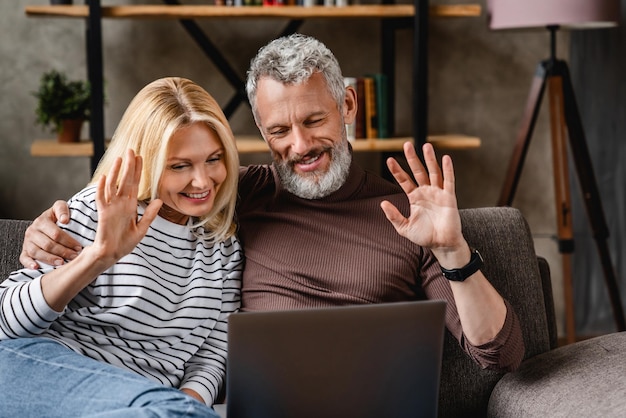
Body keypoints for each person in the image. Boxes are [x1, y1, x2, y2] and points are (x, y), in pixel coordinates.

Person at [20, 34, 524, 373]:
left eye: (314, 121)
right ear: (260, 131)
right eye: (279, 130)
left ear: (347, 107)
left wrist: (454, 251)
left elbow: (500, 356)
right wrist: (51, 225)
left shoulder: (408, 215)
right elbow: (147, 189)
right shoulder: (232, 192)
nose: (300, 146)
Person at [1, 77, 243, 417]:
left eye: (214, 159)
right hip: (44, 372)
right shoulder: (104, 209)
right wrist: (99, 256)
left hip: (144, 404)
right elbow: (5, 322)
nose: (203, 181)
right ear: (144, 162)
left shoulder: (223, 247)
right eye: (179, 166)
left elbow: (214, 351)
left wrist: (189, 402)